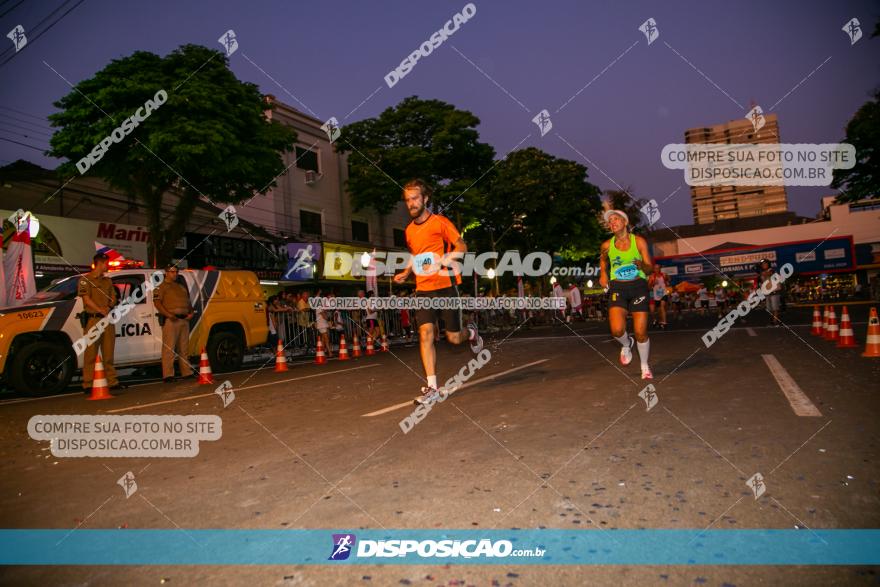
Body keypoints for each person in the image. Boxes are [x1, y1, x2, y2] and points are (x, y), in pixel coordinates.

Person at [393, 178, 483, 403]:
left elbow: (461, 245)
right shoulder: (409, 231)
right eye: (407, 200)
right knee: (426, 333)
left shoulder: (440, 222)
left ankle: (470, 333)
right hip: (423, 289)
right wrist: (406, 272)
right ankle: (432, 387)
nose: (411, 204)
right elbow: (416, 255)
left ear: (425, 199)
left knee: (453, 338)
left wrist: (449, 256)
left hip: (445, 287)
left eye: (415, 198)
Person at [599, 209, 654, 380]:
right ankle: (626, 343)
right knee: (616, 330)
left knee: (640, 332)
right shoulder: (607, 245)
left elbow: (650, 268)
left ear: (625, 222)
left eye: (616, 219)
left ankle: (644, 366)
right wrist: (603, 274)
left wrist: (641, 266)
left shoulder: (638, 242)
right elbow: (602, 260)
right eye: (610, 221)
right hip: (618, 288)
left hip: (638, 286)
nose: (612, 222)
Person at [77, 253, 124, 391]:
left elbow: (114, 298)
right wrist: (100, 309)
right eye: (106, 263)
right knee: (90, 354)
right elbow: (86, 299)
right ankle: (88, 384)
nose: (107, 266)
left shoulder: (107, 281)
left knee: (108, 353)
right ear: (100, 263)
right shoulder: (85, 280)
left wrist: (108, 308)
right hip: (93, 319)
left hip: (107, 320)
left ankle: (112, 382)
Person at [153, 265, 195, 383]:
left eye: (176, 272)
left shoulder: (180, 287)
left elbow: (188, 303)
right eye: (172, 272)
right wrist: (168, 314)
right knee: (169, 348)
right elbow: (157, 303)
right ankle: (168, 375)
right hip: (171, 320)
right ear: (166, 272)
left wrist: (191, 313)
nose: (175, 274)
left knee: (184, 348)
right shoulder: (160, 287)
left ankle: (186, 372)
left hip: (184, 320)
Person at [759, 259, 782, 326]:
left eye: (765, 264)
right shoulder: (763, 273)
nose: (764, 265)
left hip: (775, 291)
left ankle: (775, 322)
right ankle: (773, 320)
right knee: (769, 309)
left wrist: (763, 273)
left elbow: (769, 274)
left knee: (775, 308)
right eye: (762, 264)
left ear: (768, 264)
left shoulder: (772, 270)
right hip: (768, 293)